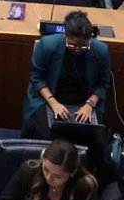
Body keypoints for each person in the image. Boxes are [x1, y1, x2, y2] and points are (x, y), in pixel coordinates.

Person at [22, 11, 112, 139]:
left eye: (83, 46)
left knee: (92, 137)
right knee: (48, 133)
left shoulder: (101, 50)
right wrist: (54, 103)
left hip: (85, 99)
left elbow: (103, 83)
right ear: (65, 35)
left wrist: (89, 105)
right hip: (49, 96)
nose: (77, 50)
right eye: (72, 45)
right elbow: (37, 77)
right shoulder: (47, 45)